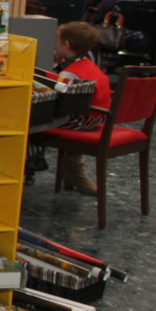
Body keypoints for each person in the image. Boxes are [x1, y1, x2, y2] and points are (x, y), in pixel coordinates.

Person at [49, 21, 112, 196]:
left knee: (36, 121)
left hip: (82, 119)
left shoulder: (69, 73)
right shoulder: (88, 63)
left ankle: (72, 170)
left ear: (67, 45)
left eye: (57, 40)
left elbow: (59, 100)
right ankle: (71, 173)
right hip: (99, 116)